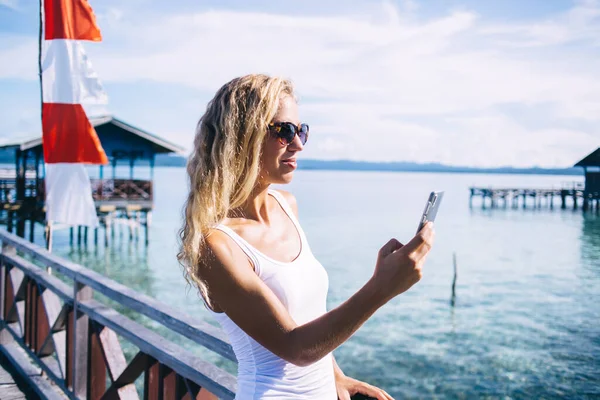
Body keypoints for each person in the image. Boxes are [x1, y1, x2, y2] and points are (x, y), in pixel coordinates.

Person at [178, 74, 435, 400]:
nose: (298, 143)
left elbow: (305, 316)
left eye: (302, 131)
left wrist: (337, 378)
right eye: (284, 131)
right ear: (243, 136)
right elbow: (294, 347)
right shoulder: (216, 244)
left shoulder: (287, 206)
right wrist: (381, 288)